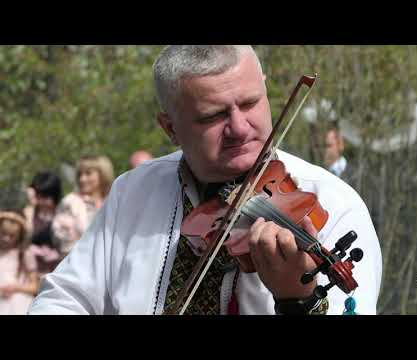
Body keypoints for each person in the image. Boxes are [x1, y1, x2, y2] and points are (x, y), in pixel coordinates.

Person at [29, 46, 382, 315]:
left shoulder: (330, 205)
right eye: (213, 116)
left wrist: (296, 300)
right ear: (170, 128)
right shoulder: (133, 191)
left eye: (250, 103)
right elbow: (63, 299)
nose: (240, 128)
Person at [51, 155, 114, 258]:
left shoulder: (113, 201)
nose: (82, 179)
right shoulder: (70, 203)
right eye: (80, 174)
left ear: (103, 174)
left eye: (88, 173)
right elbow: (62, 239)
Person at [0, 210, 40, 314]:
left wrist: (15, 288)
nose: (6, 239)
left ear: (20, 235)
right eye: (3, 233)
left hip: (16, 304)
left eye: (12, 235)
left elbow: (34, 287)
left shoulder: (24, 254)